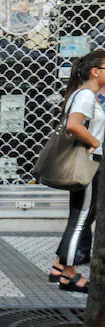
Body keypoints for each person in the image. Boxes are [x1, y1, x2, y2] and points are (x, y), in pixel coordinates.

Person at [50, 49, 105, 294]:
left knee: (80, 217)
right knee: (82, 218)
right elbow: (73, 126)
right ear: (96, 71)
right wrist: (96, 144)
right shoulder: (85, 96)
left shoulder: (86, 95)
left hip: (90, 161)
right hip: (90, 162)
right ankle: (69, 275)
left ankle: (60, 266)